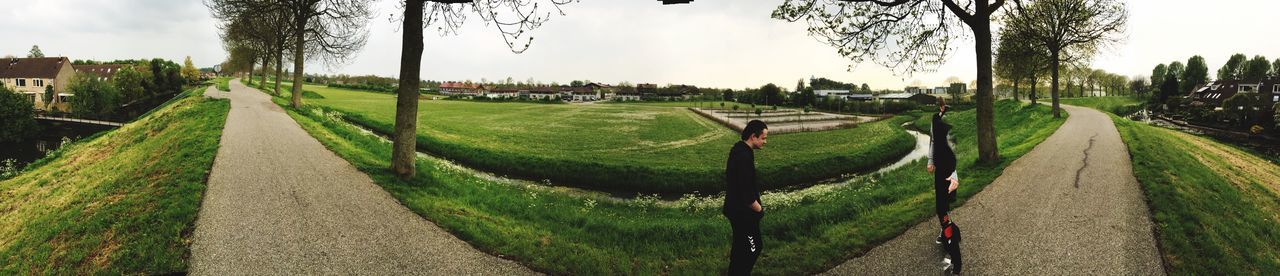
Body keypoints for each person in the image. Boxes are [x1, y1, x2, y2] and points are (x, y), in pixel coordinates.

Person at [724, 119, 767, 275]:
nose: (765, 142)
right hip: (743, 214)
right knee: (753, 248)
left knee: (741, 247)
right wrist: (759, 209)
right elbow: (747, 193)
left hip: (735, 210)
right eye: (763, 138)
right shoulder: (744, 157)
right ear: (753, 137)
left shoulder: (739, 150)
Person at [926, 97, 962, 274]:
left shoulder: (948, 127)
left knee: (943, 210)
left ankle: (956, 262)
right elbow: (932, 142)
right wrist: (930, 161)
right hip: (940, 171)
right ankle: (945, 229)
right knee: (941, 207)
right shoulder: (935, 121)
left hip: (948, 172)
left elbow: (953, 153)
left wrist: (954, 176)